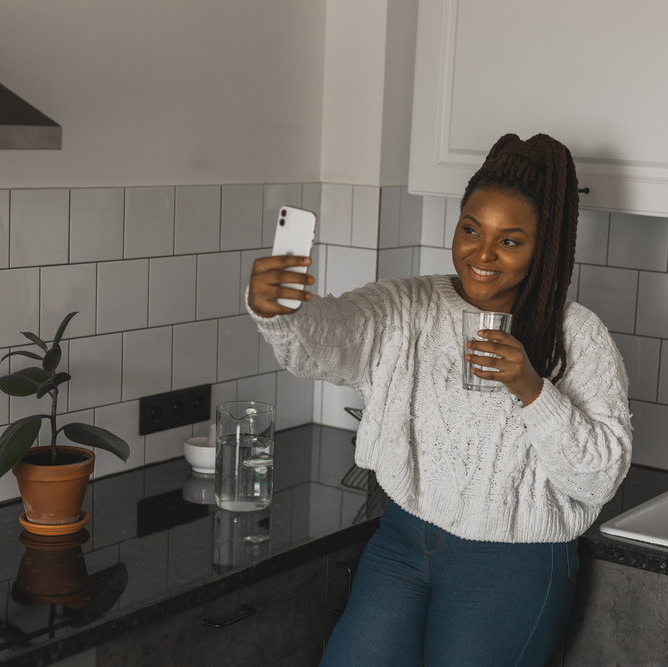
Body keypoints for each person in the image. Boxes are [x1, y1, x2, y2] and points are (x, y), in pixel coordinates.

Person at [247, 133, 632, 667]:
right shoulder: (407, 305)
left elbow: (599, 477)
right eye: (471, 229)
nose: (482, 254)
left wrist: (532, 389)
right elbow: (327, 342)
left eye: (510, 241)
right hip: (404, 542)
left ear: (543, 248)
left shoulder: (579, 336)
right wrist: (279, 311)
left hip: (513, 564)